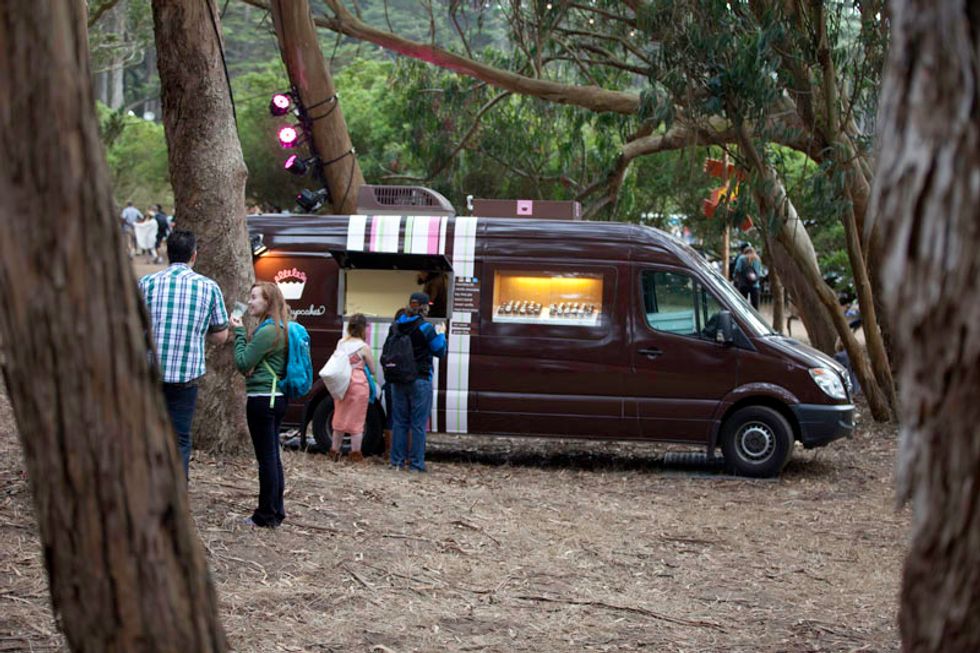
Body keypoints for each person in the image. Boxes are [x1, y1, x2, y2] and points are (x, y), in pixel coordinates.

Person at [139, 230, 229, 479]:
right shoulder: (209, 287)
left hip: (151, 372)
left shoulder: (146, 283)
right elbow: (221, 335)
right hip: (186, 375)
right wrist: (198, 330)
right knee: (179, 439)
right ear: (194, 255)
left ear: (167, 253)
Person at [230, 282, 289, 528]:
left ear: (268, 301)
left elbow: (243, 363)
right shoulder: (280, 327)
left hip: (263, 399)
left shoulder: (268, 331)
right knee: (272, 457)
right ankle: (275, 512)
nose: (249, 302)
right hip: (276, 397)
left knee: (266, 460)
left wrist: (239, 332)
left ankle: (264, 515)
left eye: (255, 297)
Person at [389, 292, 446, 472]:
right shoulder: (426, 328)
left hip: (398, 379)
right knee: (418, 425)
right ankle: (416, 465)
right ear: (424, 307)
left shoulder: (395, 326)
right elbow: (439, 351)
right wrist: (442, 334)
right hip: (420, 380)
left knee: (399, 422)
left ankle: (396, 462)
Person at [328, 314, 377, 463]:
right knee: (357, 421)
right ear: (363, 328)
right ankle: (355, 455)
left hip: (342, 383)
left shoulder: (341, 343)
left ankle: (334, 451)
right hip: (358, 385)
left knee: (339, 418)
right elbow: (373, 369)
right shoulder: (363, 347)